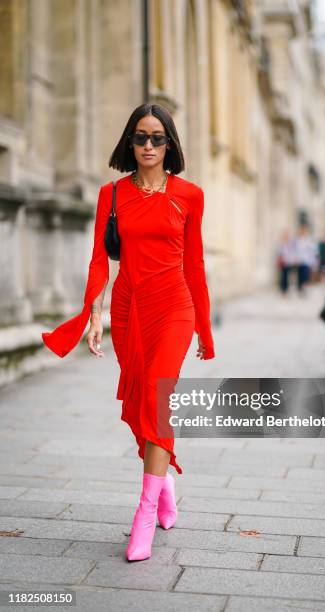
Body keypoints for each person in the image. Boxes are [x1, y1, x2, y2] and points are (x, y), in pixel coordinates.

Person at [41, 103, 216, 561]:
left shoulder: (190, 195)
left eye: (158, 138)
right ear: (130, 142)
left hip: (175, 306)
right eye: (141, 137)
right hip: (130, 308)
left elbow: (194, 264)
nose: (149, 146)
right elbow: (101, 258)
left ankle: (142, 514)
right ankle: (164, 485)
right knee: (141, 401)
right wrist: (94, 313)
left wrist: (204, 327)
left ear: (171, 144)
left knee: (157, 398)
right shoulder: (112, 195)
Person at [293, 225, 319, 293]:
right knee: (300, 275)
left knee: (305, 274)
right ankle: (300, 287)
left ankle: (303, 286)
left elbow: (313, 250)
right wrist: (295, 258)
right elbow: (295, 250)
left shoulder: (309, 240)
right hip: (299, 260)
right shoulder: (297, 240)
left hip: (307, 260)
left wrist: (313, 261)